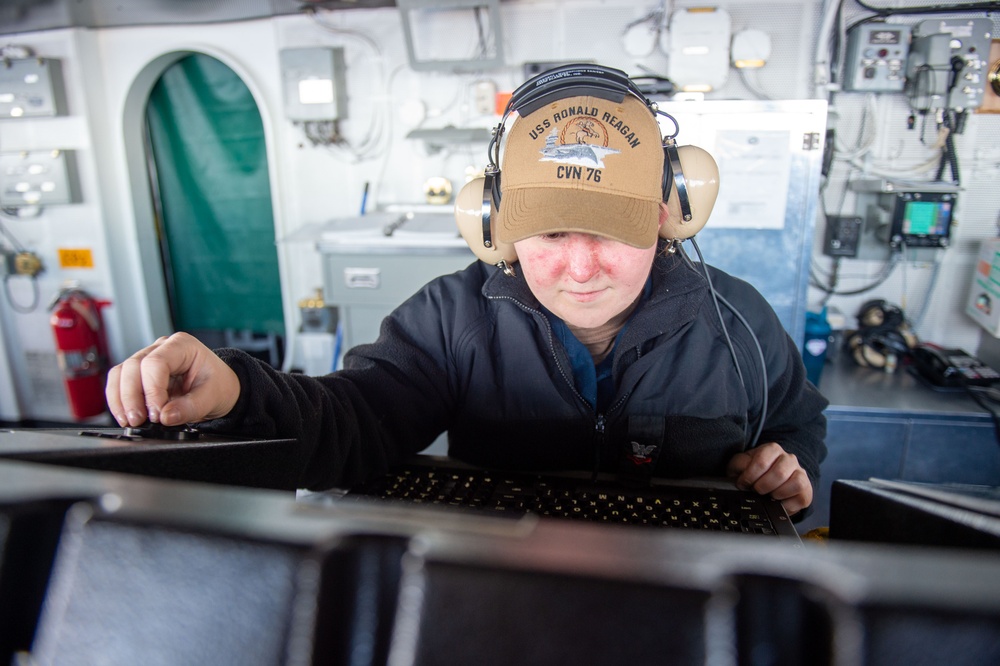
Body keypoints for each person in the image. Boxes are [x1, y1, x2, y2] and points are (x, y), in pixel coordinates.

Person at [106, 65, 827, 517]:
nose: (581, 268)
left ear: (671, 216)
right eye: (549, 235)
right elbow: (352, 421)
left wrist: (787, 469)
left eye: (610, 231)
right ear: (495, 229)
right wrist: (235, 393)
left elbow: (796, 423)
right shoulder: (450, 319)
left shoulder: (741, 324)